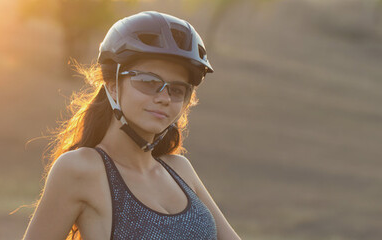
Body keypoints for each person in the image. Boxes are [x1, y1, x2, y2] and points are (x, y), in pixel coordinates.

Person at [22, 11, 240, 240]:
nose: (164, 97)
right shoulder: (80, 169)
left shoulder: (180, 169)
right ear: (113, 84)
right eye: (148, 82)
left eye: (177, 90)